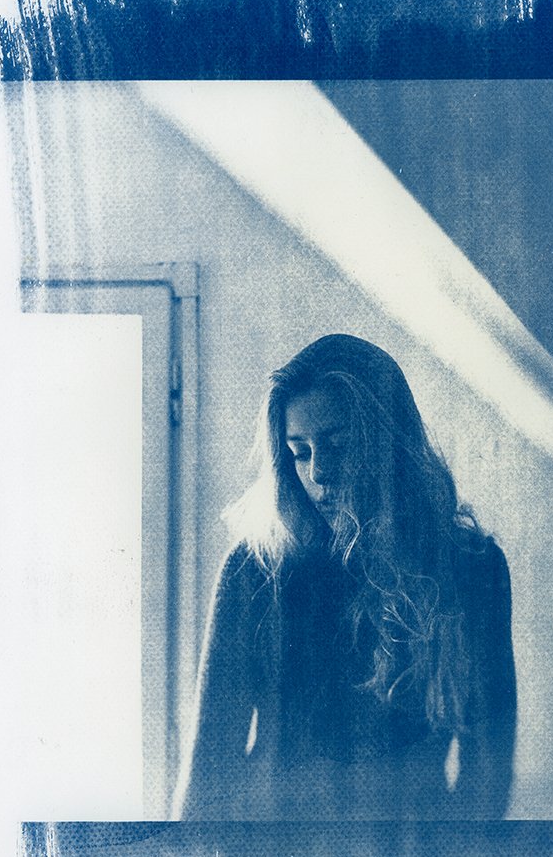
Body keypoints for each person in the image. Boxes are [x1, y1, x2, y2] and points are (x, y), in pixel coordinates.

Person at [175, 334, 516, 820]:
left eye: (340, 445)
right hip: (276, 853)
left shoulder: (472, 568)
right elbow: (208, 772)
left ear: (390, 445)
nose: (319, 473)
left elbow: (488, 773)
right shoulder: (255, 570)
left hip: (412, 854)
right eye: (299, 452)